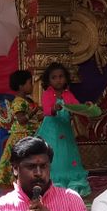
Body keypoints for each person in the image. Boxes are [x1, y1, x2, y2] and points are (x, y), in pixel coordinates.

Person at [36, 62, 94, 196]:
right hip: (51, 130)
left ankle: (70, 183)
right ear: (48, 80)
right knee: (54, 154)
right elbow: (46, 110)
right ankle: (53, 183)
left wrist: (86, 106)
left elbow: (76, 106)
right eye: (54, 77)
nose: (58, 80)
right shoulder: (48, 94)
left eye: (61, 76)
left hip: (65, 130)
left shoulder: (68, 94)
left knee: (67, 154)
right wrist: (53, 109)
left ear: (66, 78)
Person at [0, 70, 42, 187]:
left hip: (31, 135)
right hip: (21, 137)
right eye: (30, 83)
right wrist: (34, 112)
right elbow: (22, 120)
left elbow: (34, 119)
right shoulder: (18, 102)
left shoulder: (28, 101)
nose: (32, 86)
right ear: (21, 86)